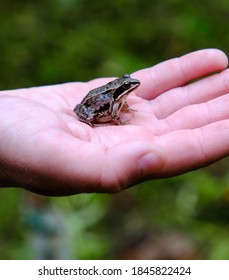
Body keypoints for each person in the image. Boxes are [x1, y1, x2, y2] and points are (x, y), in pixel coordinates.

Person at [0, 49, 228, 196]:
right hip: (90, 107)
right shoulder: (114, 96)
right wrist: (117, 121)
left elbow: (121, 102)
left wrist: (125, 107)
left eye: (127, 83)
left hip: (99, 98)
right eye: (126, 85)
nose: (131, 86)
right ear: (121, 87)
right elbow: (110, 108)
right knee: (92, 112)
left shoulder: (122, 93)